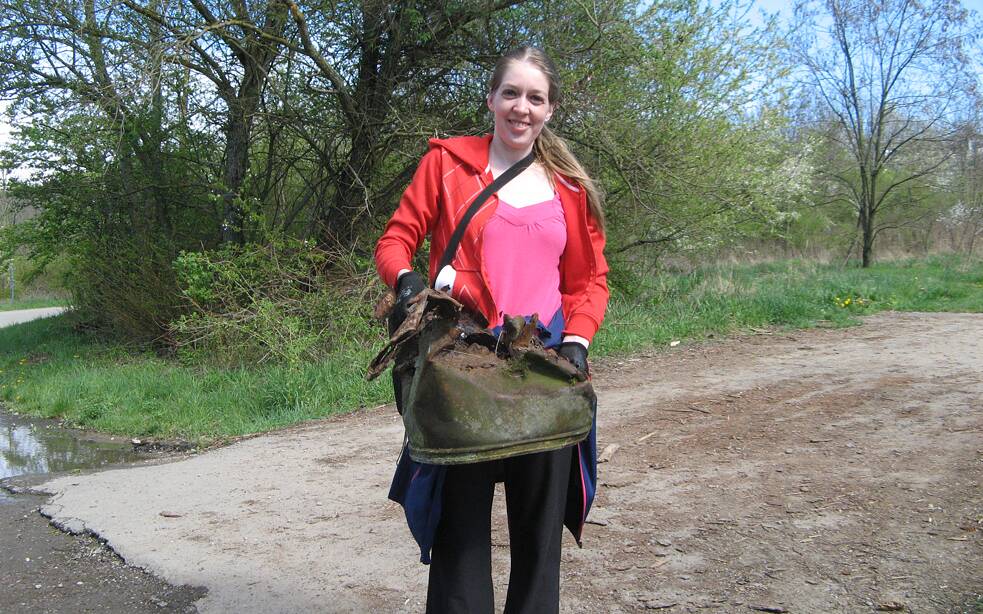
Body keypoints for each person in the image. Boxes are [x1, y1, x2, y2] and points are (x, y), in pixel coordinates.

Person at [375, 45, 609, 613]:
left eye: (535, 97)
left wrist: (576, 341)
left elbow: (589, 281)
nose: (521, 108)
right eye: (511, 93)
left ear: (550, 109)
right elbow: (395, 240)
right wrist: (407, 281)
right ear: (491, 99)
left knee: (538, 540)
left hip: (543, 370)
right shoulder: (447, 165)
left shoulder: (569, 188)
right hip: (463, 372)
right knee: (459, 540)